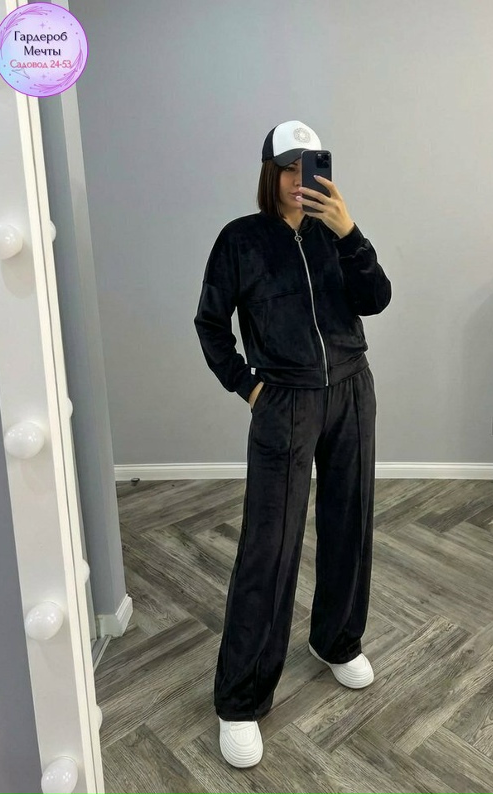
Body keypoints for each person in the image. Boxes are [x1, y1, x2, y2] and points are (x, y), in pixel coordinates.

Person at [194, 120, 392, 768]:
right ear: (269, 172)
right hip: (285, 400)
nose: (298, 178)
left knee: (349, 523)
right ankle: (241, 699)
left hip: (351, 390)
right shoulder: (240, 240)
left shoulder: (336, 232)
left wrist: (350, 232)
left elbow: (377, 299)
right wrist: (249, 387)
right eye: (287, 166)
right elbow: (210, 324)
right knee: (269, 546)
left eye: (309, 165)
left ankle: (336, 640)